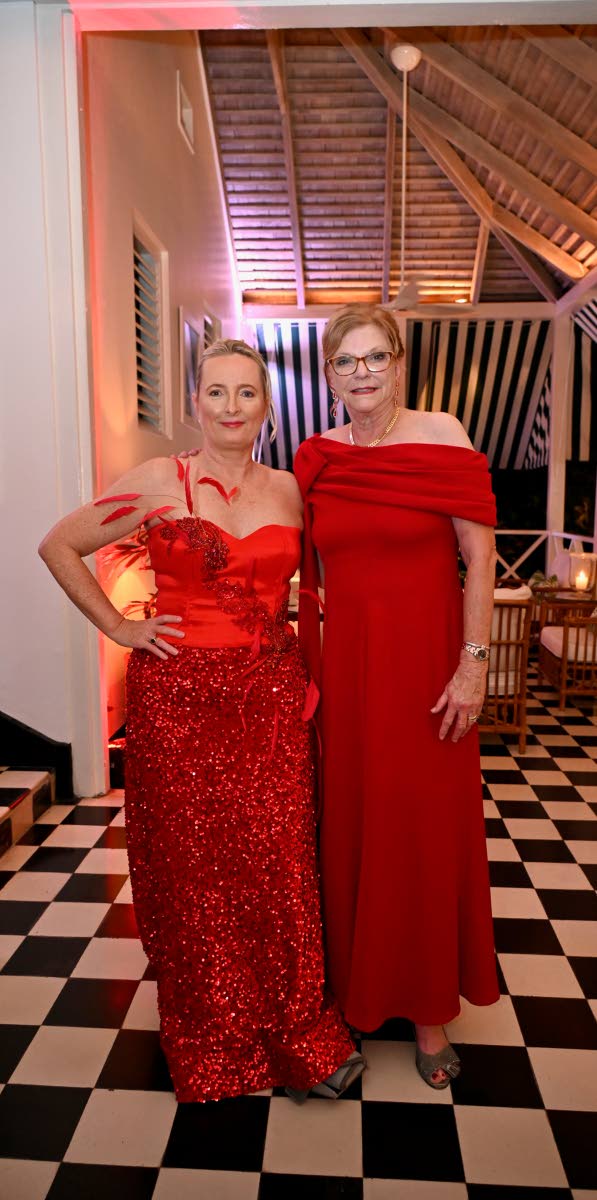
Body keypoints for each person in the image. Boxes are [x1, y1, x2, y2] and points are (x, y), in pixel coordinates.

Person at [38, 338, 362, 1103]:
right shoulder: (159, 480)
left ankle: (295, 1030)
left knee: (278, 866)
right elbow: (59, 545)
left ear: (266, 405)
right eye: (215, 393)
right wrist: (120, 630)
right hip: (177, 701)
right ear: (195, 402)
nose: (230, 408)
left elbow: (339, 570)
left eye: (246, 393)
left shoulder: (291, 488)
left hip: (269, 698)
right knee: (192, 873)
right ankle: (212, 1031)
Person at [294, 303, 499, 1089]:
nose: (362, 374)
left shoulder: (442, 436)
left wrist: (472, 665)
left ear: (401, 361)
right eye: (345, 362)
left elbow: (478, 558)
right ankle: (355, 990)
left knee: (418, 831)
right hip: (344, 678)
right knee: (349, 824)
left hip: (426, 677)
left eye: (375, 357)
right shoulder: (315, 459)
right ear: (328, 375)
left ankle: (426, 1013)